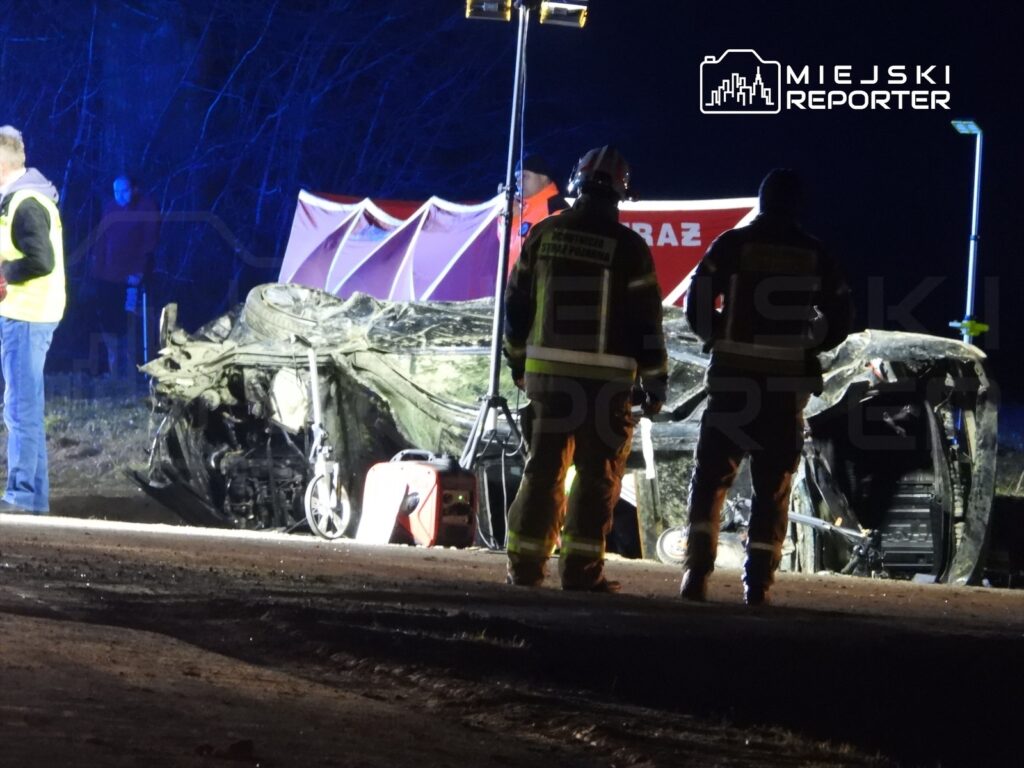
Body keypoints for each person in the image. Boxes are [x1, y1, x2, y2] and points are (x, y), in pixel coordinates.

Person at [681, 168, 853, 605]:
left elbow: (695, 300)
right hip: (782, 393)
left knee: (711, 481)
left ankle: (695, 576)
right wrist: (811, 339)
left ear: (761, 201)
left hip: (732, 384)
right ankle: (757, 585)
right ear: (798, 206)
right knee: (772, 488)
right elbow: (842, 316)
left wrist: (716, 333)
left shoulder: (733, 245)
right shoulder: (815, 253)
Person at [503, 145, 668, 592]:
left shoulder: (544, 235)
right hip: (606, 387)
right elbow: (646, 322)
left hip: (548, 381)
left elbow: (515, 306)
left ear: (576, 185)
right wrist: (655, 381)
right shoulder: (630, 248)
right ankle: (580, 573)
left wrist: (518, 362)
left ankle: (525, 569)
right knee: (597, 477)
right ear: (620, 193)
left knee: (542, 472)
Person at [0, 126, 65, 515]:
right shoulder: (27, 197)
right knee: (26, 407)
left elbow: (42, 261)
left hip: (27, 315)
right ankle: (34, 498)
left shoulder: (25, 203)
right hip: (30, 313)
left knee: (19, 409)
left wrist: (6, 272)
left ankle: (21, 496)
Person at [88, 174, 159, 379]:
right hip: (109, 277)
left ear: (134, 189)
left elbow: (149, 241)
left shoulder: (146, 207)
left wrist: (139, 271)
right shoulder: (110, 208)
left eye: (124, 190)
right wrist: (97, 269)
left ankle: (136, 371)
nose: (120, 195)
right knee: (110, 323)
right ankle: (114, 371)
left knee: (132, 322)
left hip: (133, 277)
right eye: (116, 191)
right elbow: (102, 240)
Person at [505, 154, 568, 274]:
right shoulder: (521, 209)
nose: (518, 182)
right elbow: (509, 253)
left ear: (544, 177)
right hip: (515, 288)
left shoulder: (557, 210)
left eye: (524, 176)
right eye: (516, 177)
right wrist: (513, 220)